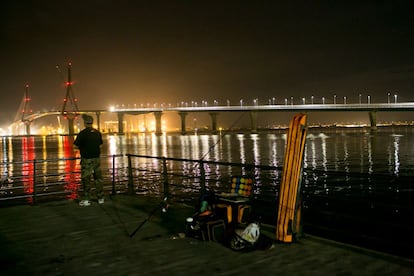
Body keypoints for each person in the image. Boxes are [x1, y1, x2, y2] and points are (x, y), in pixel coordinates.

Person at [74, 114, 104, 206]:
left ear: (85, 123)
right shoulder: (97, 132)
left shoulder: (82, 133)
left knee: (86, 179)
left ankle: (87, 199)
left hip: (86, 159)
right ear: (92, 122)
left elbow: (75, 146)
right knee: (98, 179)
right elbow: (100, 145)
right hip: (96, 159)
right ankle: (100, 198)